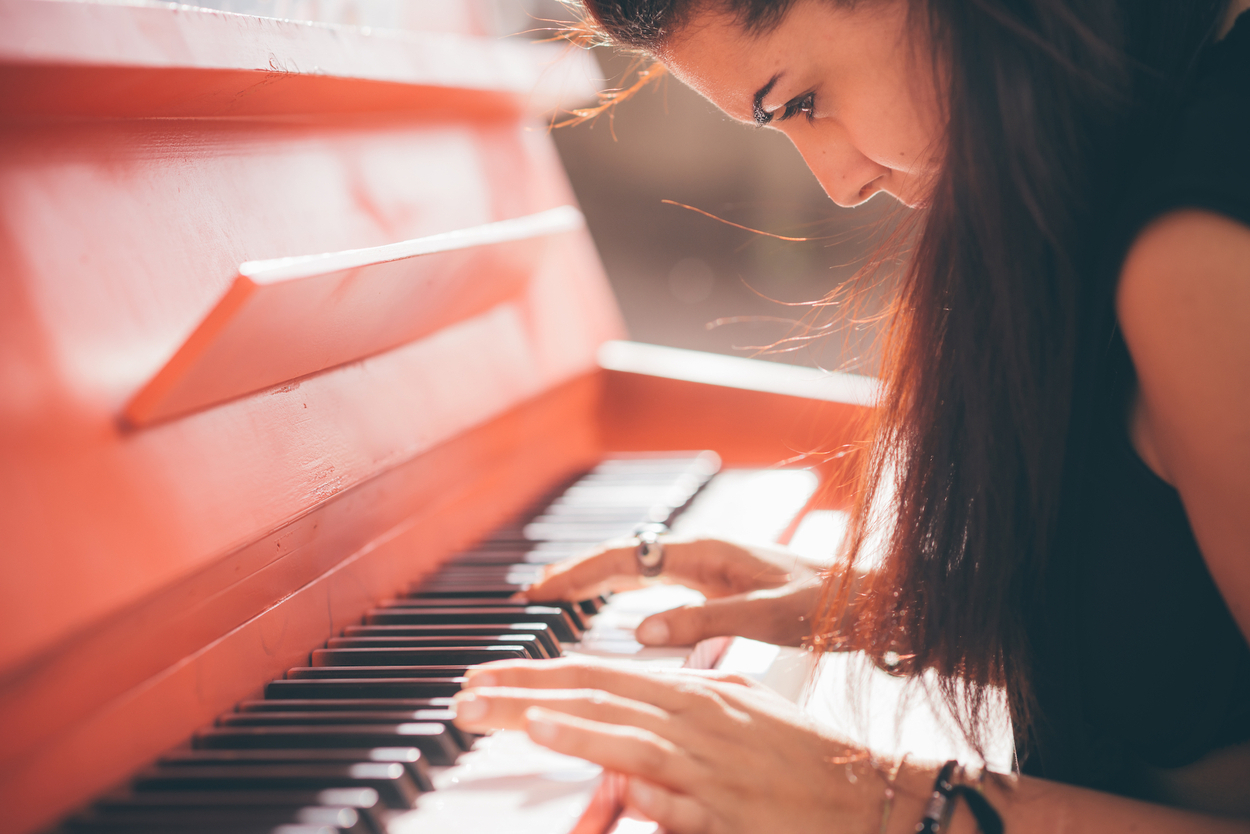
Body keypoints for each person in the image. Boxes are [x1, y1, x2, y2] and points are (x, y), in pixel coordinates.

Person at [451, 0, 1250, 831]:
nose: (840, 184)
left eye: (801, 100)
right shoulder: (1156, 131)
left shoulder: (1196, 258)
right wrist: (899, 612)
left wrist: (882, 801)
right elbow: (1196, 663)